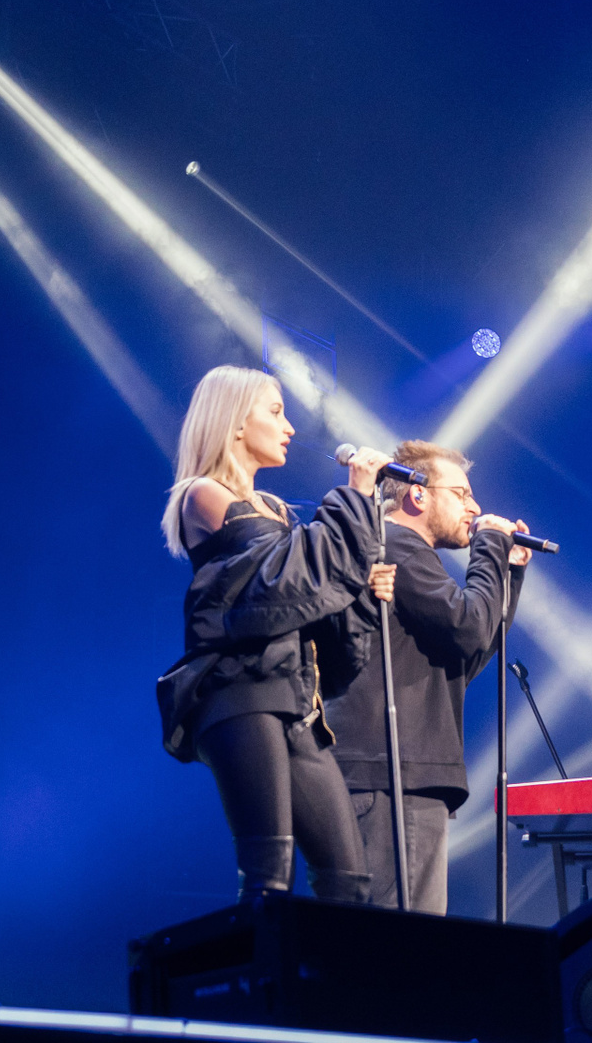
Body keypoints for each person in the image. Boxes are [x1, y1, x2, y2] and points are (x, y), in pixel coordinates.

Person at [155, 365, 398, 904]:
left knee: (349, 879)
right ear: (236, 422)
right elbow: (279, 583)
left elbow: (310, 595)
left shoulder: (281, 511)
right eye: (275, 411)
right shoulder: (203, 496)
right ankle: (259, 961)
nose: (289, 427)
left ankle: (326, 965)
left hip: (297, 704)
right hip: (242, 696)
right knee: (270, 871)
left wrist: (361, 588)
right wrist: (354, 498)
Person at [325, 440, 530, 913]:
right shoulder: (397, 543)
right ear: (418, 495)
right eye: (462, 494)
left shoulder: (402, 549)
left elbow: (464, 657)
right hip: (390, 774)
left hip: (399, 774)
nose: (475, 508)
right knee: (402, 939)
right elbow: (467, 627)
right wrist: (490, 548)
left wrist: (508, 575)